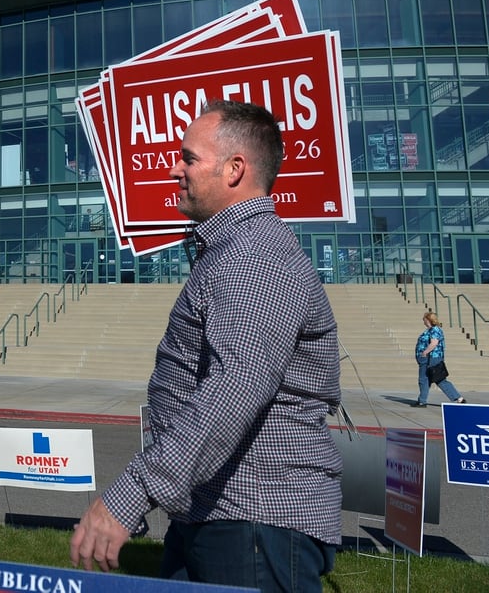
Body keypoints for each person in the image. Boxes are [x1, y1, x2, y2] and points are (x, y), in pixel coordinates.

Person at [70, 101, 342, 592]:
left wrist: (129, 495)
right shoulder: (233, 251)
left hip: (256, 522)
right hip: (216, 513)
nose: (175, 168)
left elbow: (234, 390)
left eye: (188, 158)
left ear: (234, 169)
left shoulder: (256, 257)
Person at [412, 311, 466, 407]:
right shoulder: (429, 330)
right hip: (428, 358)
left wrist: (425, 352)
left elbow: (434, 343)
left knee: (427, 379)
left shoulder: (435, 330)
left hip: (431, 358)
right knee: (434, 380)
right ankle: (458, 398)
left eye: (424, 319)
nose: (423, 321)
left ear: (428, 319)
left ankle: (422, 401)